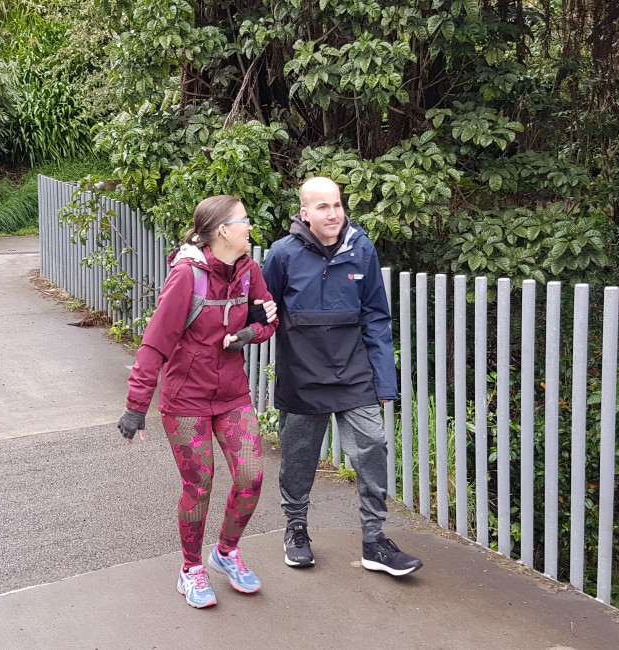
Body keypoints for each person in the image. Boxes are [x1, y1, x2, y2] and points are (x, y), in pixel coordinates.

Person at [117, 195, 279, 608]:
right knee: (199, 484)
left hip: (232, 394)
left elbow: (269, 318)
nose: (250, 228)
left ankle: (225, 552)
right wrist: (137, 405)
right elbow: (155, 343)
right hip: (185, 399)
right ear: (223, 230)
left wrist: (249, 335)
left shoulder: (249, 272)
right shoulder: (187, 277)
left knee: (251, 477)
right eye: (245, 221)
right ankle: (190, 569)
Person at [260, 176, 423, 576]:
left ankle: (374, 541)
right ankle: (296, 529)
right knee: (299, 458)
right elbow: (262, 312)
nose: (333, 214)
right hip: (302, 376)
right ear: (304, 214)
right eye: (322, 207)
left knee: (373, 447)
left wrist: (385, 381)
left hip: (354, 374)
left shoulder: (361, 248)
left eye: (337, 205)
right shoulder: (281, 255)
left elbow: (376, 317)